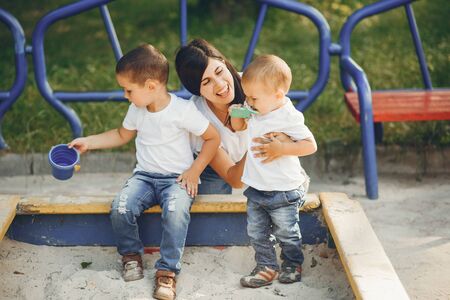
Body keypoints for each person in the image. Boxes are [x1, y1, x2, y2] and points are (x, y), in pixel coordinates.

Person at [68, 44, 220, 300]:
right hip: (144, 178)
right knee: (121, 208)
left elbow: (213, 139)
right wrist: (89, 141)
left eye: (128, 90)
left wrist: (195, 170)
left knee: (174, 213)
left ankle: (167, 272)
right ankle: (131, 256)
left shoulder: (182, 110)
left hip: (177, 179)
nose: (125, 95)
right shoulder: (137, 110)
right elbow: (121, 135)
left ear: (151, 86)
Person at [236, 54, 317, 288]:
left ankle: (292, 263)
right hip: (257, 187)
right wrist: (237, 115)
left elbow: (310, 145)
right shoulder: (254, 108)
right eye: (247, 97)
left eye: (253, 98)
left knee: (286, 232)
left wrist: (281, 148)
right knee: (256, 232)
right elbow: (240, 125)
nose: (249, 102)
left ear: (278, 96)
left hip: (284, 189)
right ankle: (266, 266)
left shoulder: (288, 116)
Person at [175, 39, 294, 194]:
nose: (219, 84)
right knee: (212, 210)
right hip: (213, 169)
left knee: (287, 189)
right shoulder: (196, 115)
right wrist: (257, 142)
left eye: (219, 72)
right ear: (197, 90)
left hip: (260, 155)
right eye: (206, 82)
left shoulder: (256, 85)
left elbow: (290, 127)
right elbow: (235, 180)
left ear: (224, 63)